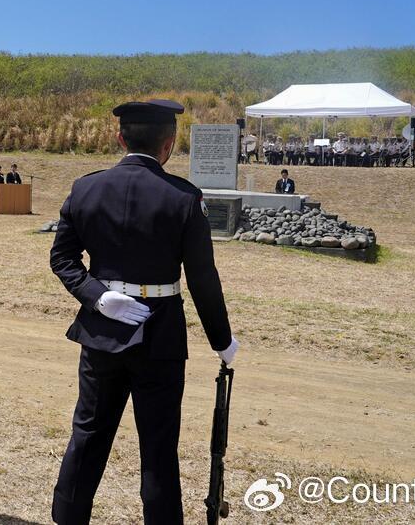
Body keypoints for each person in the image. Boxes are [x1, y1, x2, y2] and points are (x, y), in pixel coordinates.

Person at [48, 99, 237, 524]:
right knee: (158, 447)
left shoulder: (85, 188)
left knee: (88, 436)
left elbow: (62, 259)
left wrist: (97, 295)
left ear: (120, 138)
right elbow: (202, 278)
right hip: (161, 335)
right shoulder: (185, 198)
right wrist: (221, 341)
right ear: (169, 144)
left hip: (101, 332)